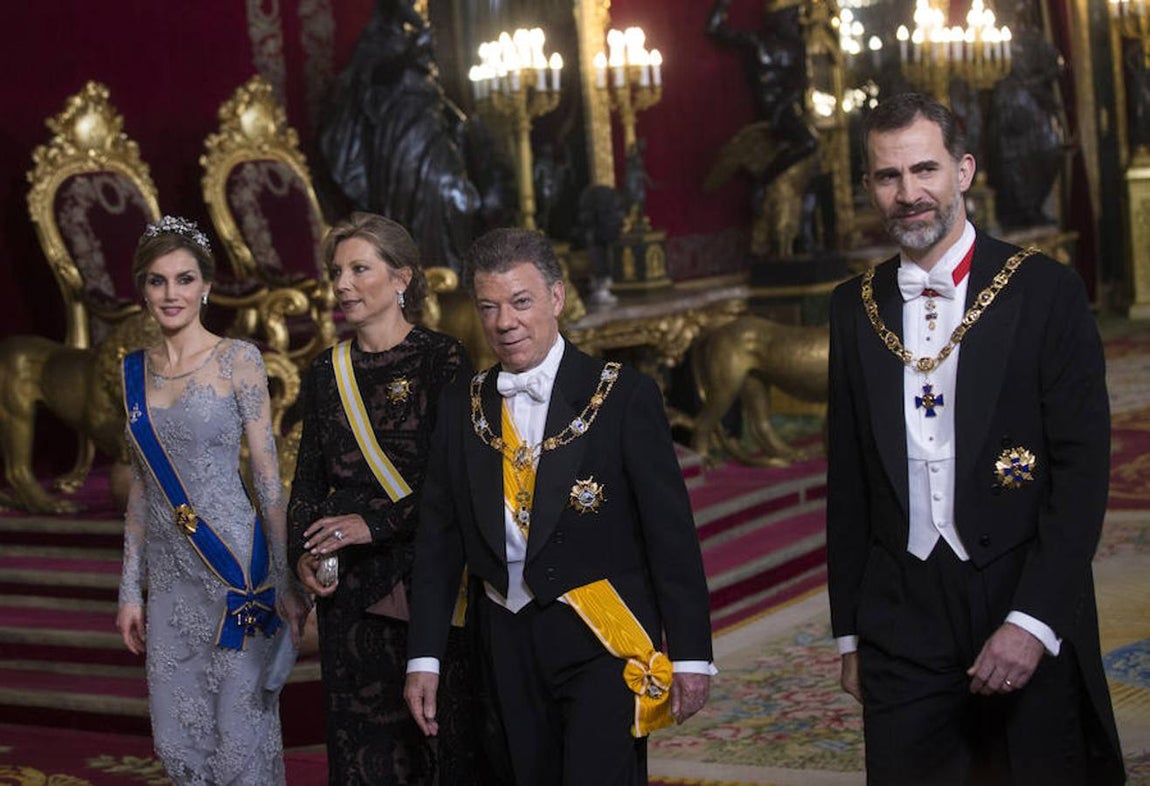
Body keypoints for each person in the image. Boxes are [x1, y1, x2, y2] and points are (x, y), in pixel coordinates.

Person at [826, 92, 1125, 785]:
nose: (909, 194)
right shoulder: (853, 307)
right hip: (902, 610)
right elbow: (848, 482)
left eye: (925, 170)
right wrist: (852, 634)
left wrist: (1035, 620)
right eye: (888, 177)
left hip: (1018, 589)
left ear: (963, 170)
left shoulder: (1045, 292)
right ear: (871, 186)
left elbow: (1082, 475)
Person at [404, 227, 715, 785]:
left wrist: (691, 654)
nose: (505, 322)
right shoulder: (461, 406)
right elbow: (438, 542)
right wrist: (424, 656)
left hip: (603, 635)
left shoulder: (622, 395)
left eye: (521, 302)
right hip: (503, 639)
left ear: (556, 297)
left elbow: (670, 536)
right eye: (490, 307)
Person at [287, 212, 481, 785]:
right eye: (336, 271)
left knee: (433, 745)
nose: (342, 283)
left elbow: (454, 484)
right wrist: (303, 558)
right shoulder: (327, 371)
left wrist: (370, 523)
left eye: (359, 269)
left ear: (401, 278)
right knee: (362, 755)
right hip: (348, 593)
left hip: (426, 579)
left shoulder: (443, 360)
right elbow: (306, 485)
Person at [116, 215, 306, 785]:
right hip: (172, 586)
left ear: (205, 286)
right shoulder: (131, 374)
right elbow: (140, 490)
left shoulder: (238, 359)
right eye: (157, 281)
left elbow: (270, 481)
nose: (171, 293)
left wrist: (284, 577)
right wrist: (130, 590)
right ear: (143, 289)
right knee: (182, 744)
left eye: (184, 279)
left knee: (239, 739)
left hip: (235, 574)